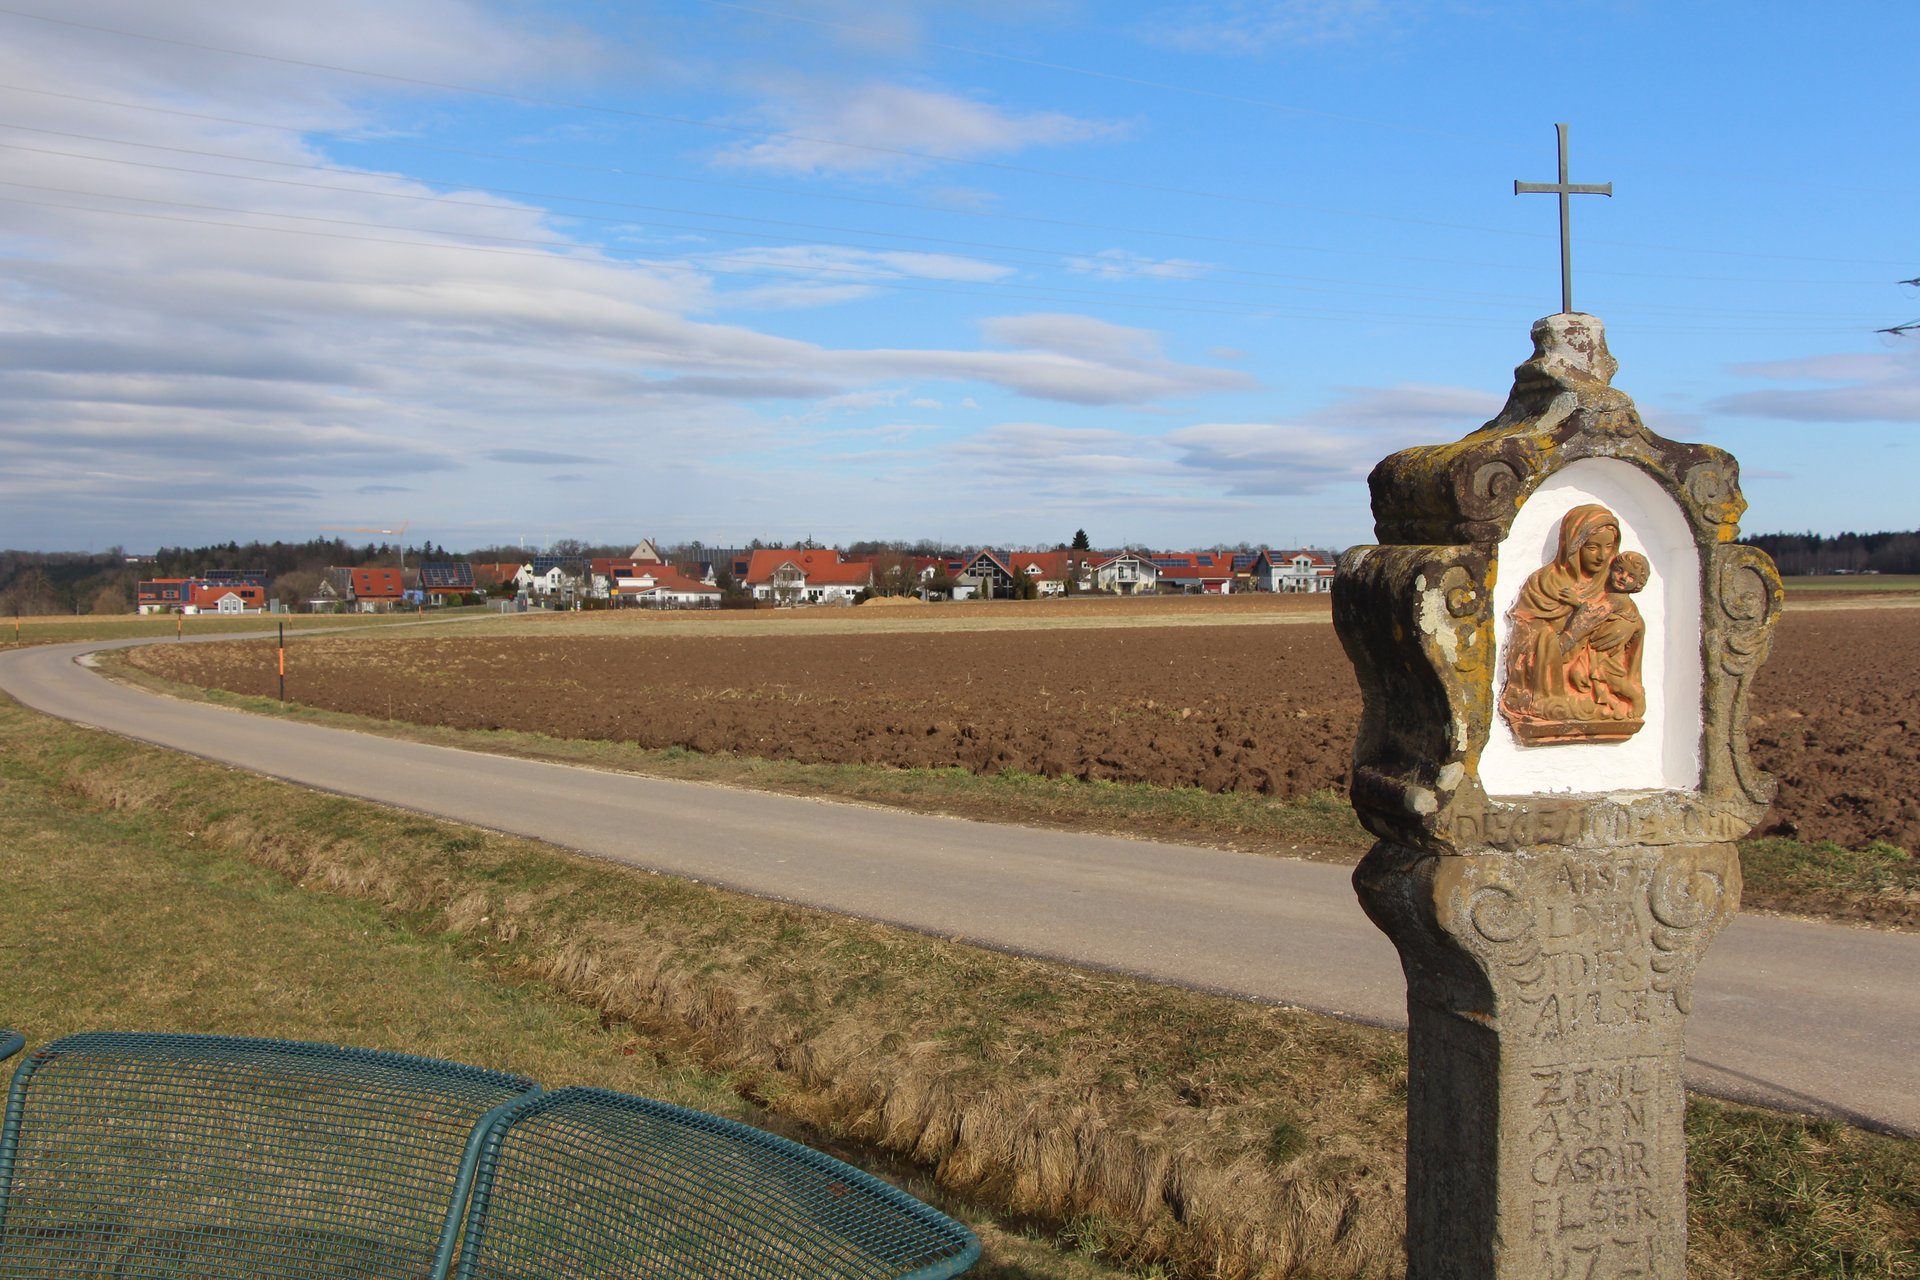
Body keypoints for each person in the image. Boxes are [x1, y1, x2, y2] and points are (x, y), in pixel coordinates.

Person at [1500, 505, 1647, 741]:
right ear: (1573, 545)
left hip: (1596, 666)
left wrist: (1631, 626)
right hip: (1551, 674)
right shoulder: (1544, 583)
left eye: (1608, 547)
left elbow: (1624, 619)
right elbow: (1526, 631)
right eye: (1592, 547)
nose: (1601, 555)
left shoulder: (1611, 587)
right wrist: (1568, 636)